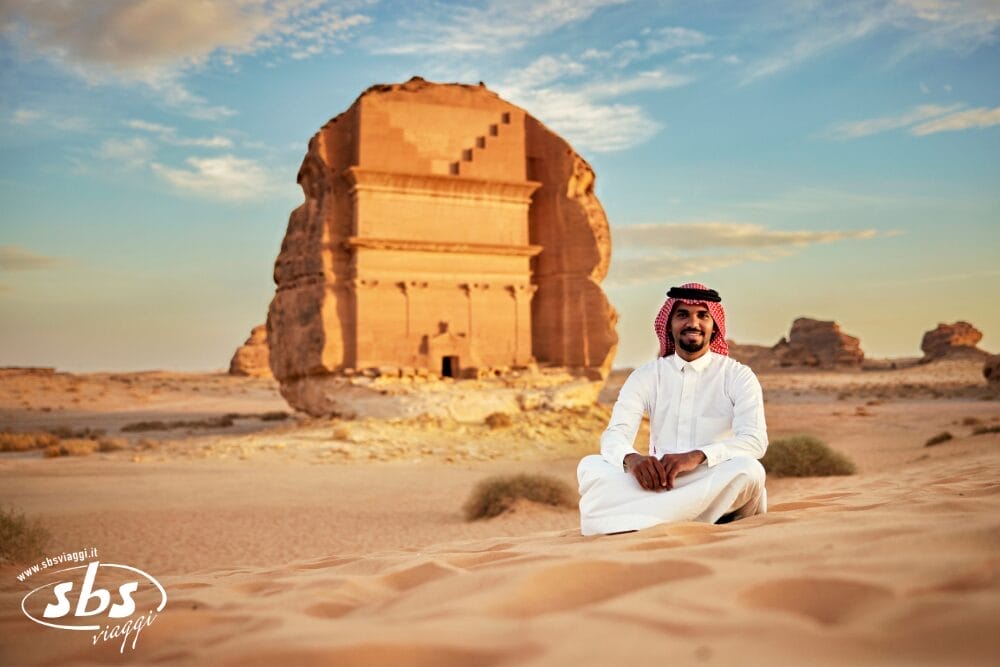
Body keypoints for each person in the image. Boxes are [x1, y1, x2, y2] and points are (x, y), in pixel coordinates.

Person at [577, 282, 768, 536]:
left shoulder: (737, 375)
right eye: (683, 315)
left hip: (708, 476)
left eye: (703, 315)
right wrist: (632, 459)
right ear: (669, 324)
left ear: (714, 326)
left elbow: (755, 441)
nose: (693, 323)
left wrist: (697, 456)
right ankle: (690, 515)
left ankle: (637, 518)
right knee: (590, 466)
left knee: (749, 471)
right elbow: (615, 434)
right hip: (658, 481)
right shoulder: (646, 376)